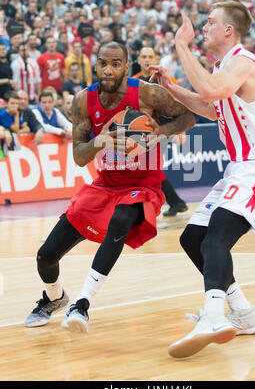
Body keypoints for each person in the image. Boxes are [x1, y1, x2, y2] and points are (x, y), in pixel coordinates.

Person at [24, 41, 195, 334]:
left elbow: (188, 116)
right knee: (46, 256)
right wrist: (100, 140)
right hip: (105, 185)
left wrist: (163, 131)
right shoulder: (83, 100)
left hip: (144, 185)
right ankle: (55, 298)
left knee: (120, 221)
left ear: (126, 67)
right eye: (103, 63)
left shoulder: (147, 93)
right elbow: (79, 157)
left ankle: (82, 304)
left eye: (116, 64)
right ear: (96, 64)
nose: (108, 69)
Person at [150, 2, 255, 358]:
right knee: (193, 237)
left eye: (210, 22)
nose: (204, 27)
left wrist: (181, 45)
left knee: (215, 241)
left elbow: (211, 92)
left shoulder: (243, 62)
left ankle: (213, 316)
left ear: (229, 30)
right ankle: (243, 313)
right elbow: (212, 107)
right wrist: (173, 88)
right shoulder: (223, 67)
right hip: (239, 169)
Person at [133, 46, 189, 217]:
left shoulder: (164, 77)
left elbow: (181, 101)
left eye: (150, 56)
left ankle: (147, 208)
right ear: (138, 59)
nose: (147, 59)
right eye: (144, 56)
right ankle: (176, 203)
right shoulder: (133, 81)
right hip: (142, 131)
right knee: (148, 170)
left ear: (155, 59)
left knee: (148, 168)